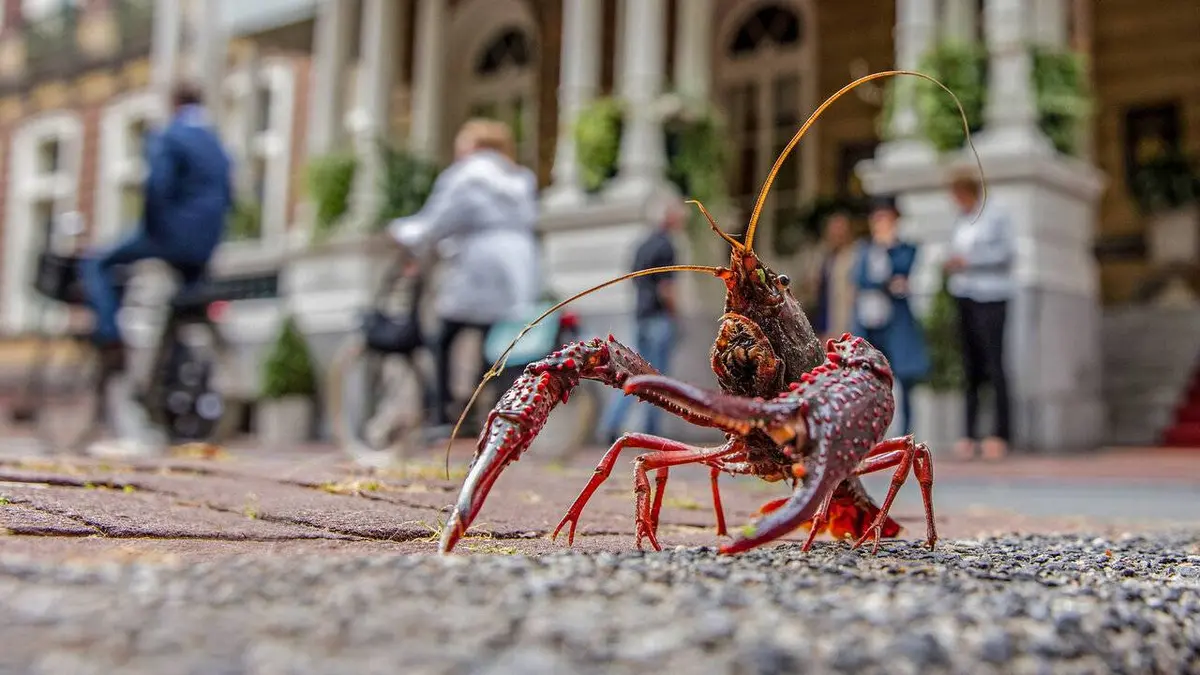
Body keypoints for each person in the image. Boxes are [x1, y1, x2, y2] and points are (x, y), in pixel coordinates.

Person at [387, 119, 540, 434]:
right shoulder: (520, 178)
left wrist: (403, 232)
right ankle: (479, 404)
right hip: (519, 264)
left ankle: (444, 414)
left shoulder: (466, 175)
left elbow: (438, 220)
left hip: (479, 264)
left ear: (473, 146)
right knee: (491, 336)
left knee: (443, 335)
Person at [80, 82, 233, 372]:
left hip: (170, 236)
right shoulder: (218, 145)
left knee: (96, 262)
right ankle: (186, 358)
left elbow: (157, 186)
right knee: (188, 299)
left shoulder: (170, 137)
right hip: (206, 243)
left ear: (174, 104)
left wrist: (151, 229)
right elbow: (228, 196)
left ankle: (111, 338)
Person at [597, 197, 684, 446]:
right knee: (656, 380)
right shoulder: (667, 245)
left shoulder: (643, 244)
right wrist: (675, 314)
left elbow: (634, 278)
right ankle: (651, 434)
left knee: (632, 376)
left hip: (640, 315)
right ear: (670, 218)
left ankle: (611, 425)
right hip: (658, 317)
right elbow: (666, 287)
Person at [943, 169, 1015, 461]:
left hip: (992, 295)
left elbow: (1007, 254)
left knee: (994, 365)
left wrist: (969, 261)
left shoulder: (996, 215)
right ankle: (969, 433)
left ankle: (1000, 433)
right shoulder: (961, 220)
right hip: (966, 295)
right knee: (970, 366)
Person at [851, 195, 929, 436]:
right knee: (867, 377)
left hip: (896, 323)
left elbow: (904, 272)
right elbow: (860, 278)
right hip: (869, 321)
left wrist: (887, 250)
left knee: (903, 378)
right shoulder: (866, 249)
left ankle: (906, 433)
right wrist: (886, 283)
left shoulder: (904, 248)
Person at [810, 209, 859, 342]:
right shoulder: (823, 254)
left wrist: (839, 330)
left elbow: (849, 296)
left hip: (842, 323)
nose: (836, 233)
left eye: (841, 229)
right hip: (821, 318)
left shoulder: (854, 255)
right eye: (833, 229)